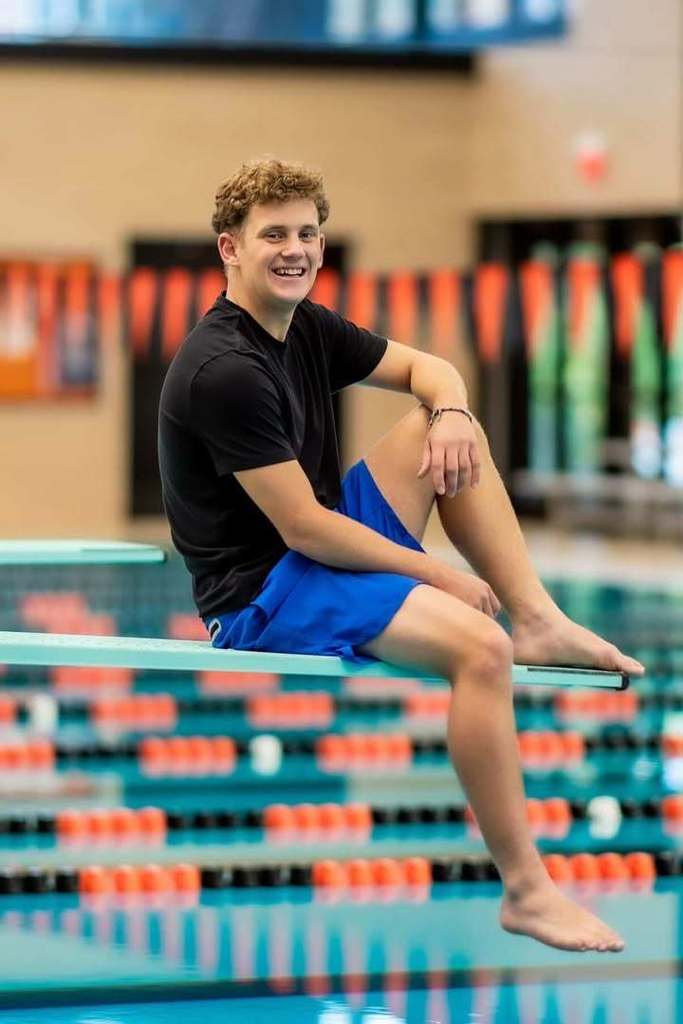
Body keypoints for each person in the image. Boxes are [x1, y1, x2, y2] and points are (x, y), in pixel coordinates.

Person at [158, 157, 644, 953]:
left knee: (443, 430)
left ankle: (538, 616)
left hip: (313, 552)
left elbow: (429, 368)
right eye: (272, 235)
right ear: (229, 249)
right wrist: (437, 572)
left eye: (307, 234)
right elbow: (305, 532)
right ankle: (526, 890)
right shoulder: (224, 371)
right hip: (262, 593)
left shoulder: (304, 326)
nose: (294, 250)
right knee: (479, 650)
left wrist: (449, 407)